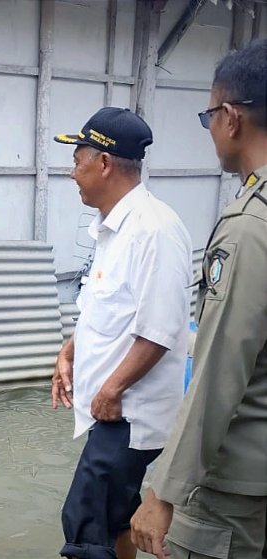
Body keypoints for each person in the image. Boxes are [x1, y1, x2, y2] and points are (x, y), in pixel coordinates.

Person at [130, 39, 267, 559]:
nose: (210, 129)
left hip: (232, 487)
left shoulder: (248, 225)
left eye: (209, 115)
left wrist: (165, 489)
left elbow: (218, 370)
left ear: (231, 118)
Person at [51, 107, 193, 559]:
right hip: (112, 409)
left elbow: (160, 329)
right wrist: (70, 351)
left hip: (129, 415)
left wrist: (111, 390)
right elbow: (107, 310)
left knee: (85, 526)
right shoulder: (113, 229)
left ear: (105, 163)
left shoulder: (153, 231)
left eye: (78, 160)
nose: (73, 173)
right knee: (114, 521)